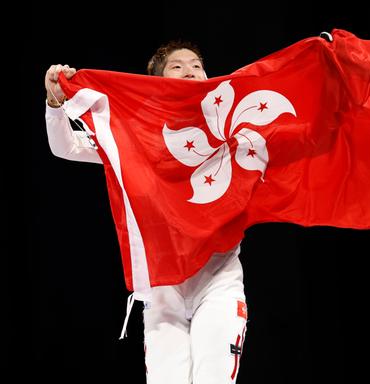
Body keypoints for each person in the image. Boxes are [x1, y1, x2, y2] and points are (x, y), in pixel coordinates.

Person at [44, 40, 248, 384]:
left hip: (218, 283)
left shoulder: (233, 130)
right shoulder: (133, 135)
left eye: (196, 65)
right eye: (178, 66)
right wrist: (55, 103)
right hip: (162, 291)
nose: (190, 70)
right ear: (157, 81)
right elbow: (66, 147)